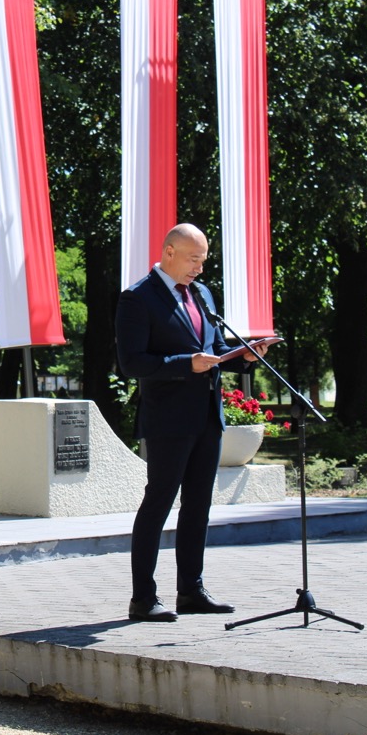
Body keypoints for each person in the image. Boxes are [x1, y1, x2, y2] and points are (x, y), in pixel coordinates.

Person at [114, 223, 268, 622]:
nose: (199, 268)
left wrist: (243, 354)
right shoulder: (137, 298)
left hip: (206, 417)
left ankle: (191, 591)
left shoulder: (201, 294)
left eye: (203, 260)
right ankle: (143, 598)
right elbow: (132, 363)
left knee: (198, 505)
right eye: (193, 259)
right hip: (168, 419)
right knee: (159, 503)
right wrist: (186, 364)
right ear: (169, 252)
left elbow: (213, 349)